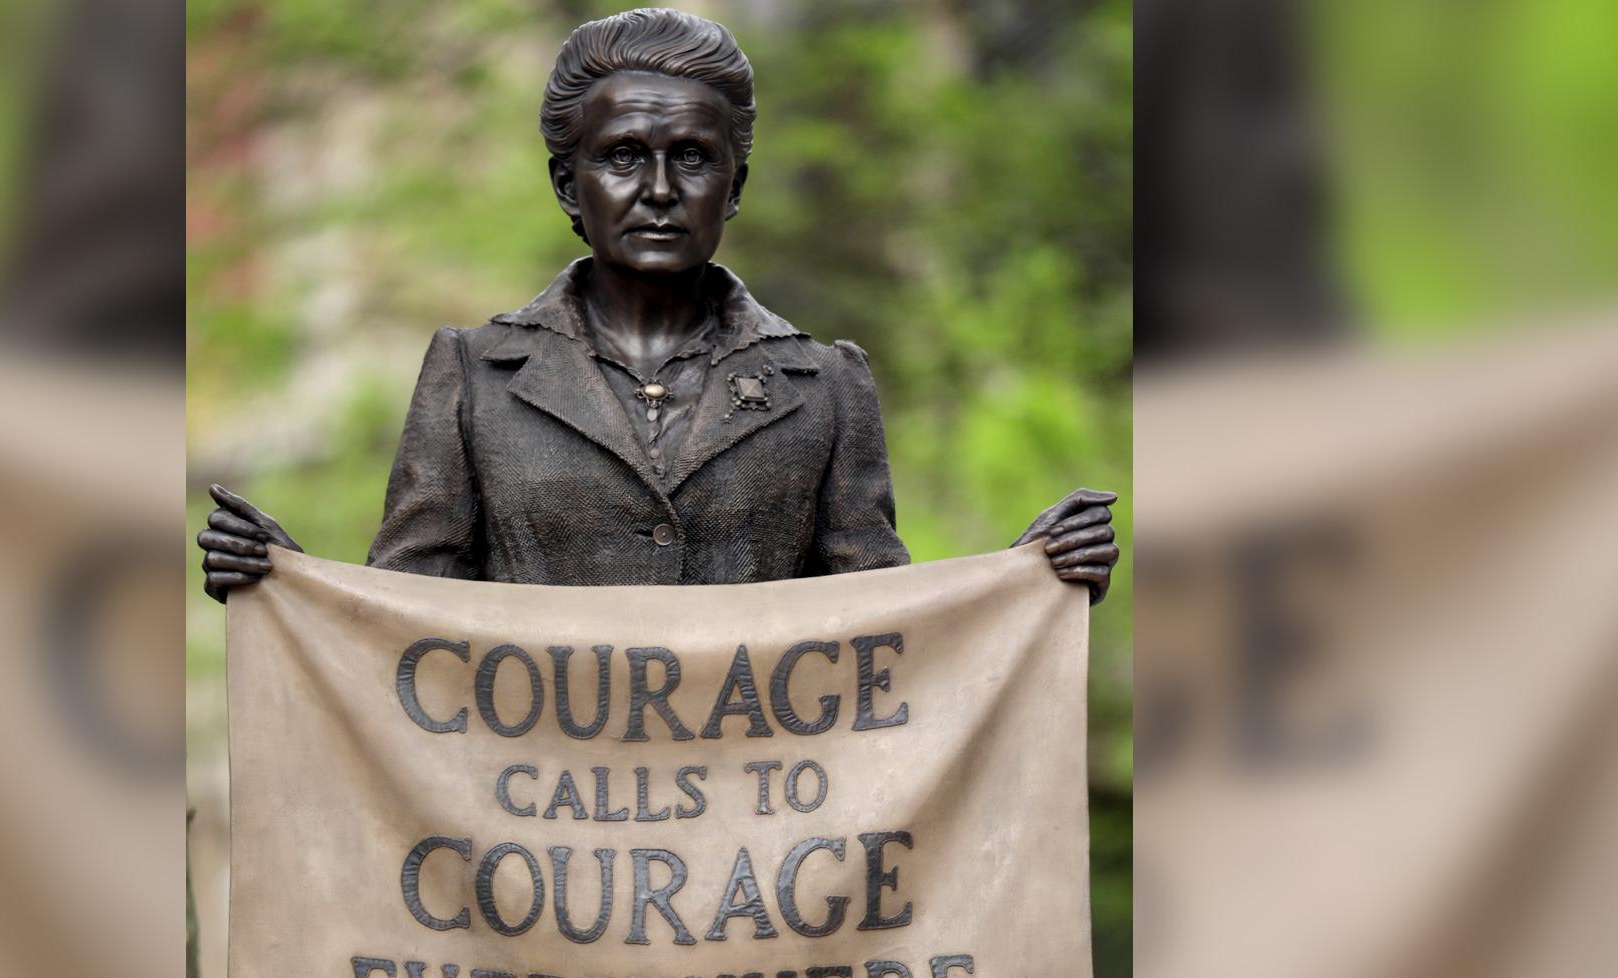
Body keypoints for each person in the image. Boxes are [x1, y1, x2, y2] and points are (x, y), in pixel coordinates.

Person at [199, 7, 1117, 600]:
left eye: (692, 157)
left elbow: (876, 638)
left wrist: (1016, 588)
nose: (660, 189)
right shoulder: (474, 376)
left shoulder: (826, 385)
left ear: (735, 183)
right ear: (570, 185)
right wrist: (294, 591)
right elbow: (408, 632)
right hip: (536, 848)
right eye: (623, 156)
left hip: (754, 849)